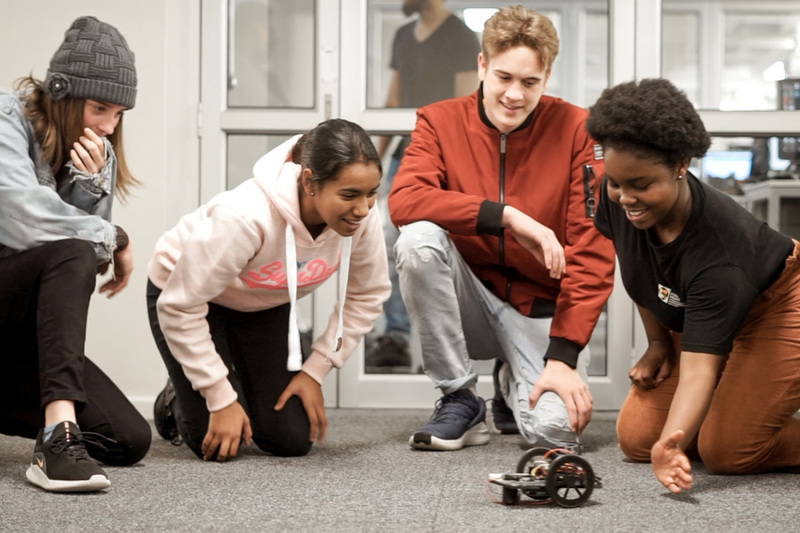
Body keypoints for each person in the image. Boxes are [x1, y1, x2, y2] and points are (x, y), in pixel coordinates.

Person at [389, 6, 615, 451]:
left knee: (554, 434)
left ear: (547, 78)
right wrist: (506, 215)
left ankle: (514, 382)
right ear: (482, 66)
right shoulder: (438, 120)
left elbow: (592, 250)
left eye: (529, 82)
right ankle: (460, 398)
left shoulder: (579, 131)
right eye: (504, 77)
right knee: (418, 241)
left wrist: (564, 357)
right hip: (468, 298)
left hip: (538, 309)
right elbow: (405, 200)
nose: (514, 94)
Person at [587, 78, 800, 493]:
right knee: (638, 438)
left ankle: (752, 411)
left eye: (642, 185)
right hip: (708, 312)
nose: (625, 198)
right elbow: (639, 272)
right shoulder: (620, 202)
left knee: (727, 451)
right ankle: (741, 402)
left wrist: (672, 445)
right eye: (616, 182)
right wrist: (659, 344)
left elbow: (700, 369)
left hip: (777, 302)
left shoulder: (718, 255)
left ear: (682, 166)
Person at [147, 118, 391, 461]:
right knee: (215, 442)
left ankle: (231, 377)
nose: (363, 209)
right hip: (186, 297)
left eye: (371, 194)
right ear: (309, 182)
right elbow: (179, 306)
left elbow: (368, 294)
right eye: (349, 195)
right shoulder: (247, 217)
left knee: (291, 440)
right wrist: (220, 396)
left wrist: (315, 370)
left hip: (260, 303)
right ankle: (177, 396)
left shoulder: (361, 217)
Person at [0, 16, 151, 492]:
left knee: (128, 439)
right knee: (69, 251)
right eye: (99, 108)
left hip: (20, 337)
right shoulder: (6, 120)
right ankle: (56, 438)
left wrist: (88, 190)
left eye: (120, 113)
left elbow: (89, 260)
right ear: (61, 94)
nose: (108, 127)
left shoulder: (94, 157)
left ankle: (56, 425)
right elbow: (25, 218)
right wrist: (115, 235)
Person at [366, 0, 480, 372]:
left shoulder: (461, 37)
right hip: (404, 153)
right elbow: (394, 100)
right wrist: (374, 164)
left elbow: (466, 107)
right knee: (393, 243)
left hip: (444, 159)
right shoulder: (402, 35)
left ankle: (441, 345)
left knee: (434, 248)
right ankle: (396, 337)